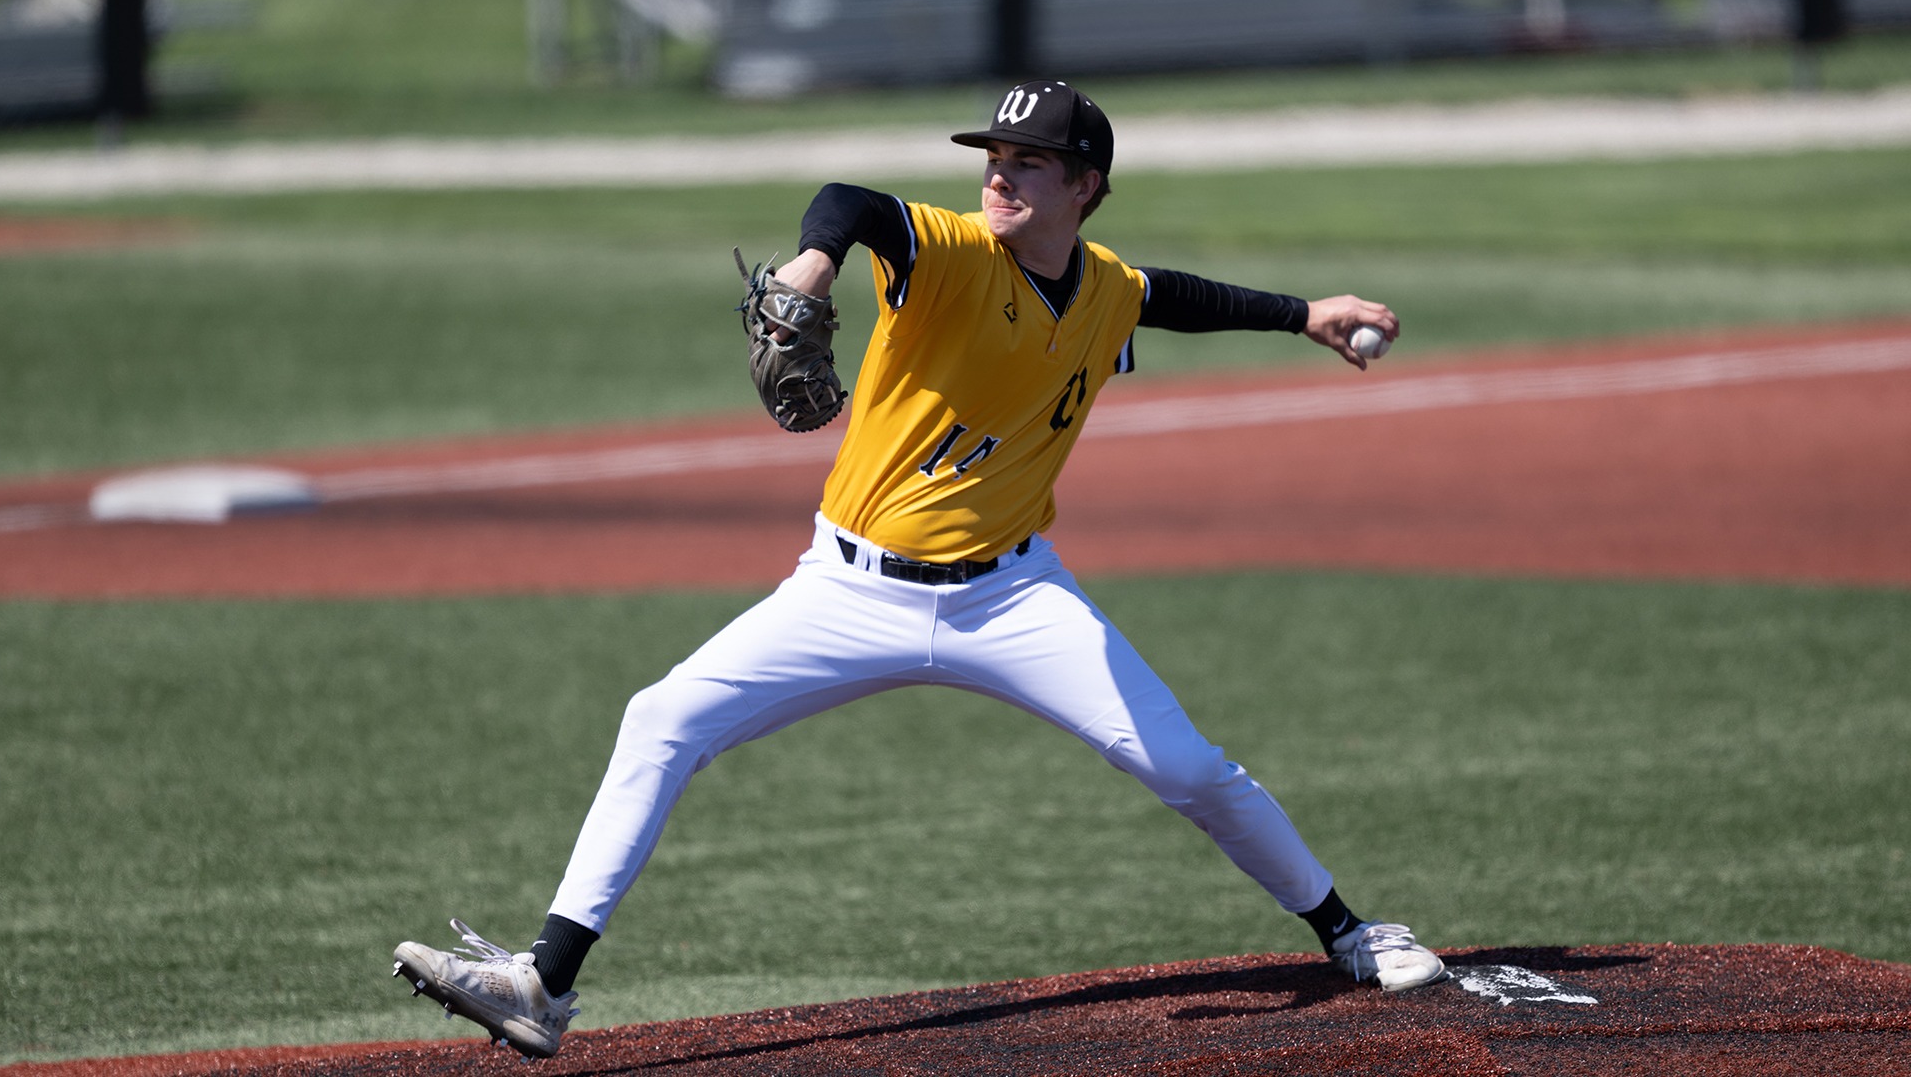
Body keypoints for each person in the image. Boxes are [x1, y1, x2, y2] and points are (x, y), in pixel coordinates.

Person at [390, 79, 1442, 1059]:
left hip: (1014, 596)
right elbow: (849, 200)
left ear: (1085, 188)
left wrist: (1303, 313)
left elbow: (1170, 294)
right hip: (845, 591)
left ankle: (1350, 931)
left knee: (1186, 769)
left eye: (1030, 161)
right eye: (994, 154)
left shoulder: (1104, 287)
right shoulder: (951, 252)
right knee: (661, 718)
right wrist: (812, 261)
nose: (1001, 173)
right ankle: (543, 985)